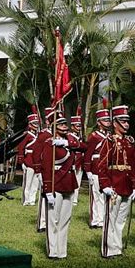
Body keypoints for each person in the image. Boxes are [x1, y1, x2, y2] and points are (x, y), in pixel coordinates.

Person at [98, 105, 135, 258]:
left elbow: (132, 165)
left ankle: (117, 247)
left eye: (127, 121)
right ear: (115, 123)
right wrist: (105, 185)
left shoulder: (129, 141)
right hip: (114, 184)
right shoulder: (109, 141)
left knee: (121, 220)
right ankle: (108, 249)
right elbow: (102, 164)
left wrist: (134, 185)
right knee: (111, 218)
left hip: (126, 185)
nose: (126, 124)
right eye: (123, 121)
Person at [41, 110, 79, 259]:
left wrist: (66, 142)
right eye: (61, 124)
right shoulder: (49, 143)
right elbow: (46, 167)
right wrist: (48, 190)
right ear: (55, 126)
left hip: (68, 183)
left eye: (65, 124)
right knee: (53, 220)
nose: (65, 126)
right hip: (56, 183)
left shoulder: (70, 141)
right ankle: (53, 251)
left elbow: (84, 146)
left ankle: (62, 251)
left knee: (64, 220)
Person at [84, 105, 111, 228]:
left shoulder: (110, 136)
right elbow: (88, 154)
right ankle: (95, 220)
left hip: (107, 169)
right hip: (95, 169)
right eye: (105, 120)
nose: (108, 122)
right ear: (99, 123)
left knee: (106, 196)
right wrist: (88, 171)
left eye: (108, 120)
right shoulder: (94, 136)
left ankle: (104, 218)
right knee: (96, 195)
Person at [32, 107, 54, 232]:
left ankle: (51, 221)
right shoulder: (44, 135)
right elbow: (36, 153)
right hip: (45, 170)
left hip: (57, 171)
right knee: (45, 195)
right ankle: (42, 223)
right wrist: (37, 170)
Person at [17, 107, 40, 206]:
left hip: (37, 161)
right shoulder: (26, 135)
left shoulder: (38, 135)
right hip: (29, 160)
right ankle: (26, 199)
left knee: (35, 182)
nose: (36, 125)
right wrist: (21, 161)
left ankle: (32, 199)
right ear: (30, 124)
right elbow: (21, 147)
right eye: (34, 123)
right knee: (28, 182)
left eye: (37, 123)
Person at [67, 106, 86, 205]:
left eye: (79, 126)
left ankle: (75, 198)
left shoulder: (79, 137)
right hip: (74, 161)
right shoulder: (70, 136)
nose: (79, 128)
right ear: (72, 126)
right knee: (72, 181)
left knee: (78, 180)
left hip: (80, 162)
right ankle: (71, 197)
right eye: (77, 126)